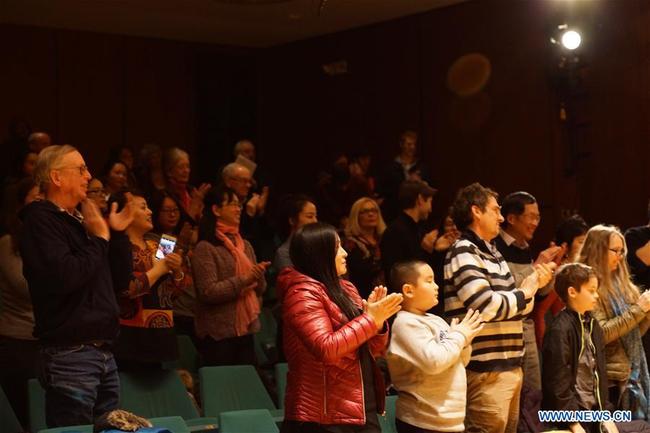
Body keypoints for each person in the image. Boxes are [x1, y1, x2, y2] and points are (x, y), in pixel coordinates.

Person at [19, 145, 134, 428]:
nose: (89, 175)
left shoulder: (82, 222)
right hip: (70, 354)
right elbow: (66, 276)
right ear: (57, 177)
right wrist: (100, 240)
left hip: (102, 351)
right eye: (81, 169)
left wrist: (116, 236)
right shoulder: (40, 220)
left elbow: (120, 283)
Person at [443, 182, 554, 433]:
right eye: (496, 210)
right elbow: (485, 305)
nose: (501, 217)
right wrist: (525, 291)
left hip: (509, 366)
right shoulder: (463, 251)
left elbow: (521, 309)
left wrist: (534, 285)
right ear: (476, 211)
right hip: (485, 369)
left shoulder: (493, 253)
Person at [277, 222, 403, 433]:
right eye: (337, 248)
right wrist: (369, 319)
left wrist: (378, 323)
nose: (345, 253)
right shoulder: (301, 294)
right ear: (318, 254)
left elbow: (372, 349)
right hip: (322, 414)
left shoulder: (346, 288)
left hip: (360, 404)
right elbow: (326, 348)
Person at [387, 260, 482, 433]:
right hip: (422, 421)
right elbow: (434, 362)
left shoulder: (436, 320)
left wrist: (465, 342)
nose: (436, 286)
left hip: (450, 420)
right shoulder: (405, 323)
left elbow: (461, 361)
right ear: (408, 290)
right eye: (429, 281)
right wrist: (459, 335)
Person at [494, 191, 564, 393]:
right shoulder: (493, 246)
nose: (536, 222)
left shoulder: (524, 246)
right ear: (511, 218)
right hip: (502, 330)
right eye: (531, 216)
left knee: (533, 389)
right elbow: (504, 287)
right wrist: (536, 267)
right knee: (509, 393)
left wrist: (549, 273)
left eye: (538, 216)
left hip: (526, 326)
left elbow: (537, 294)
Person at [191, 184, 269, 366]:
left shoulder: (245, 245)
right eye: (233, 205)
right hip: (218, 336)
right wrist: (245, 279)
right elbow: (208, 292)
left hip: (245, 332)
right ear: (216, 210)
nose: (238, 209)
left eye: (239, 205)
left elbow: (260, 290)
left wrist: (259, 276)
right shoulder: (206, 247)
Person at [579, 224, 650, 418]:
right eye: (614, 251)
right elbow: (601, 334)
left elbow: (632, 334)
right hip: (607, 377)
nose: (620, 257)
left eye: (622, 252)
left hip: (629, 372)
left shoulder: (623, 284)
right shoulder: (587, 286)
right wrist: (638, 310)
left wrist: (646, 315)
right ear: (597, 250)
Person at [111, 191, 185, 369]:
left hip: (160, 335)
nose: (150, 212)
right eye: (143, 207)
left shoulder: (159, 245)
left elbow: (171, 295)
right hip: (131, 338)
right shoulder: (118, 248)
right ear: (125, 212)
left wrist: (177, 272)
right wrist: (159, 270)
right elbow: (126, 290)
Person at [541, 263, 618, 433]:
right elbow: (556, 382)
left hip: (593, 414)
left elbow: (599, 375)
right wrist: (574, 423)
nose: (596, 295)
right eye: (591, 290)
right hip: (568, 417)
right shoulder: (559, 329)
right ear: (572, 292)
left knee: (642, 426)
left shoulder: (593, 324)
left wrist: (606, 416)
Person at [0, 178, 41, 427]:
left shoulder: (46, 240)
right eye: (37, 199)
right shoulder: (7, 243)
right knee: (22, 417)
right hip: (17, 340)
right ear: (20, 204)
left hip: (44, 340)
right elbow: (26, 288)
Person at [147, 191, 198, 340]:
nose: (173, 214)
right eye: (167, 210)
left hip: (192, 309)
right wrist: (181, 242)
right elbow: (163, 265)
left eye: (175, 210)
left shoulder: (178, 236)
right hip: (174, 312)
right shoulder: (151, 238)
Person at [533, 214, 589, 346]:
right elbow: (540, 313)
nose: (586, 247)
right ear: (566, 245)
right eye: (581, 242)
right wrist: (545, 347)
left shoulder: (581, 269)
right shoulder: (560, 272)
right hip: (562, 340)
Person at [380, 180, 441, 288]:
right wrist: (424, 249)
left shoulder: (418, 229)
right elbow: (397, 274)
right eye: (430, 201)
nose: (431, 209)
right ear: (420, 199)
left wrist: (436, 248)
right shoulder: (395, 231)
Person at [379, 130, 432, 221]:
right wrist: (407, 182)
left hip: (415, 212)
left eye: (414, 144)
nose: (412, 147)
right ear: (401, 145)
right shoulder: (391, 167)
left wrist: (420, 183)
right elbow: (385, 191)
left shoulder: (421, 167)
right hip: (394, 213)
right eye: (409, 144)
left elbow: (428, 189)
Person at [343, 197, 387, 299]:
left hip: (386, 293)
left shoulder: (384, 238)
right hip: (362, 296)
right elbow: (358, 274)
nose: (371, 214)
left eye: (374, 210)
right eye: (365, 211)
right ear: (356, 216)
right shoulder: (351, 244)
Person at [163, 147, 210, 225]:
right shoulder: (163, 196)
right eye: (181, 167)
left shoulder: (192, 191)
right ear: (169, 172)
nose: (186, 171)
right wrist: (194, 205)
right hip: (168, 236)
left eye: (188, 166)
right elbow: (179, 227)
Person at [273, 194, 318, 271]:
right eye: (310, 216)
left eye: (316, 216)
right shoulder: (284, 254)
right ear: (292, 220)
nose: (315, 221)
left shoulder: (318, 246)